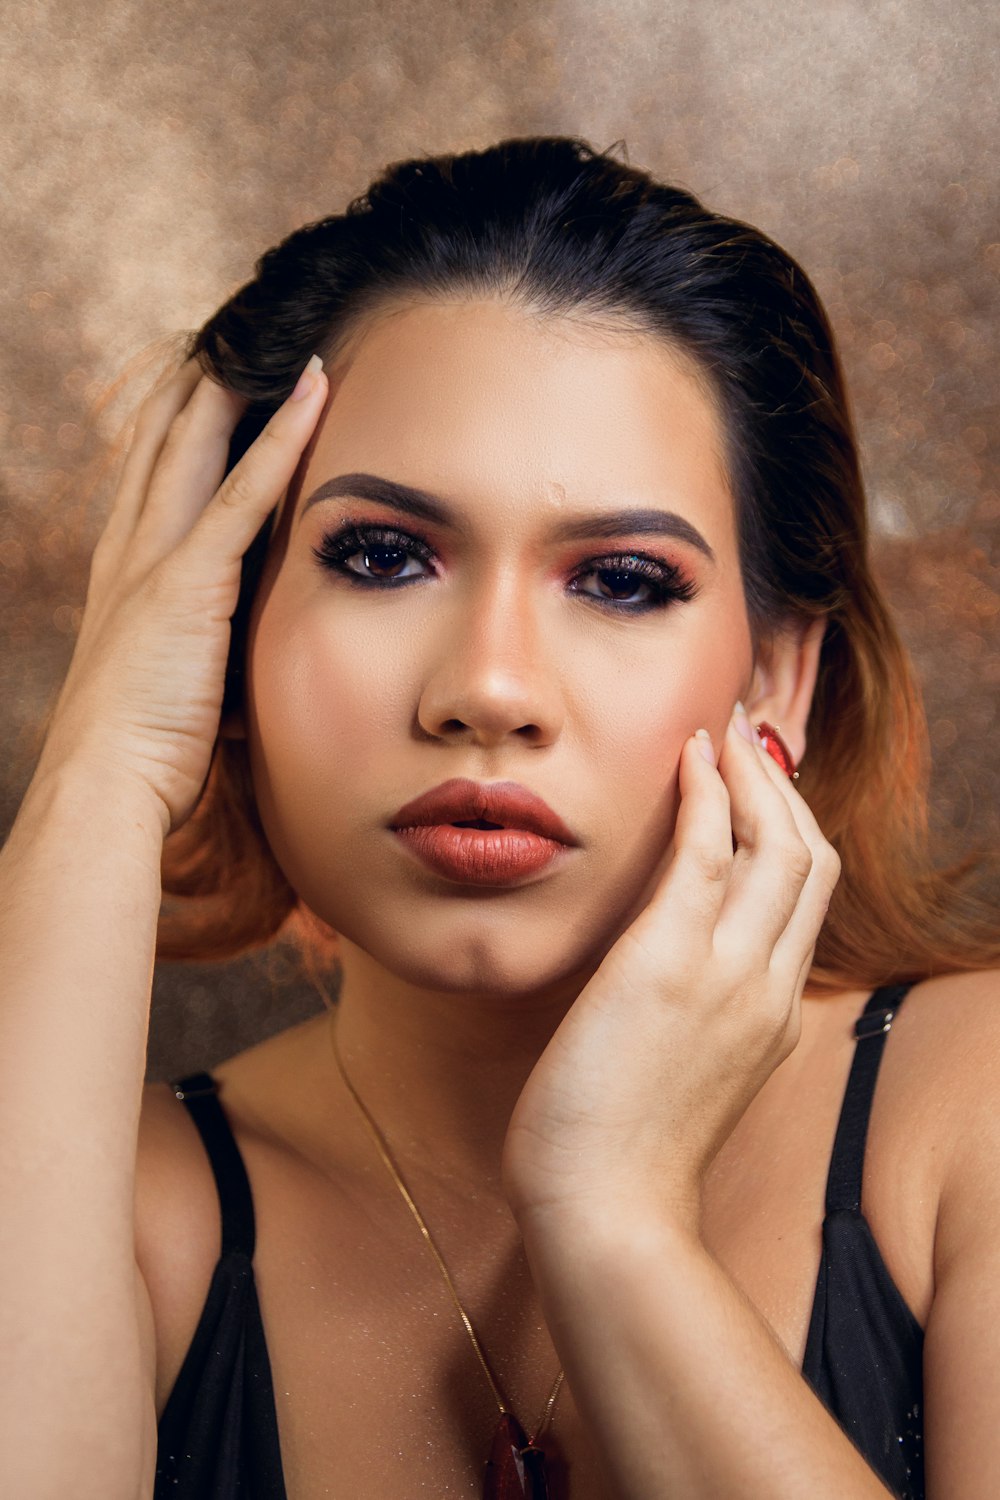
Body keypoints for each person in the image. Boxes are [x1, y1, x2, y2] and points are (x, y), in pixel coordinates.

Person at [1, 135, 998, 1500]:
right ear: (223, 639)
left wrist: (616, 1222)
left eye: (625, 579)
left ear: (777, 672)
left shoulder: (967, 1110)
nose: (489, 688)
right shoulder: (119, 1205)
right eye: (382, 555)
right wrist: (98, 772)